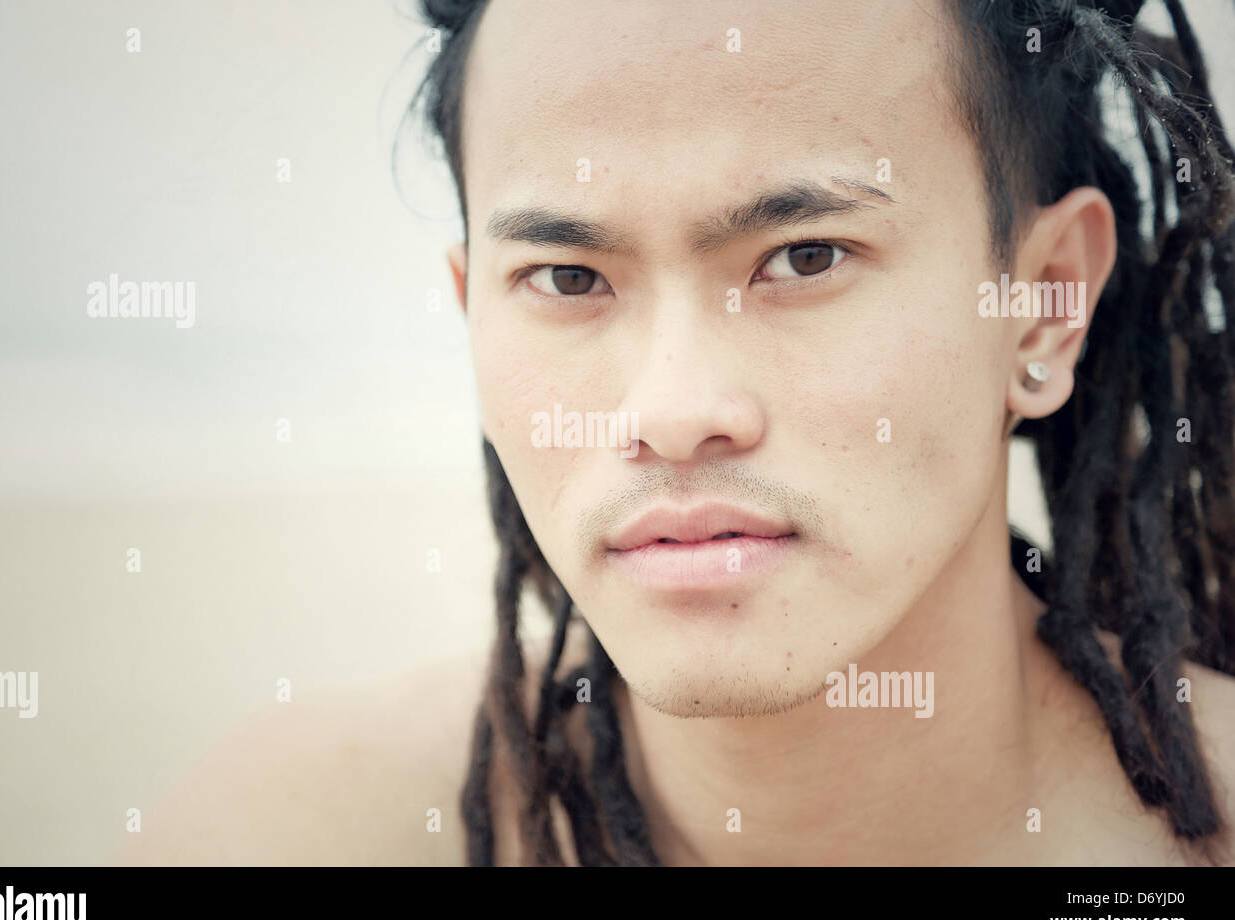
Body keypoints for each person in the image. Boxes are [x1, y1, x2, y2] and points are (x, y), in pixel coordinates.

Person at [119, 0, 1235, 866]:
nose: (670, 409)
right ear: (471, 311)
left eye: (804, 257)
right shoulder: (285, 835)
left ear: (1041, 303)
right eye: (566, 277)